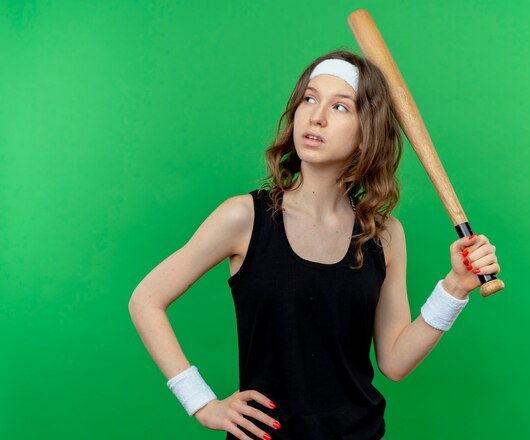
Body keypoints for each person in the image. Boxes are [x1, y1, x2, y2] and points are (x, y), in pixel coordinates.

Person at [128, 49, 500, 440]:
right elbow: (146, 300)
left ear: (364, 137)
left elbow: (394, 361)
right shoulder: (243, 218)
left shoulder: (385, 234)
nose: (316, 115)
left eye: (340, 107)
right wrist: (201, 403)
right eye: (309, 98)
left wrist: (454, 289)